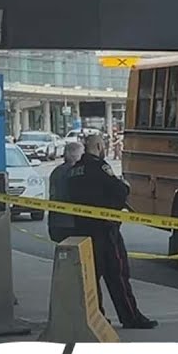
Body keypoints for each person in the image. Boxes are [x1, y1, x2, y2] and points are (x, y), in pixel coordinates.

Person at [67, 133, 157, 329]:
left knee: (91, 277)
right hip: (106, 230)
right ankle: (131, 317)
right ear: (99, 146)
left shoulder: (75, 170)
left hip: (82, 230)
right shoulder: (100, 167)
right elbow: (119, 190)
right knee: (118, 274)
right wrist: (123, 187)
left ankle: (97, 318)